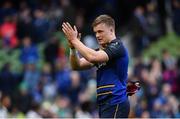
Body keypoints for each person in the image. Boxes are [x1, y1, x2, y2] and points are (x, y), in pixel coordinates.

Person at [62, 14, 130, 118]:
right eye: (95, 32)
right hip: (105, 104)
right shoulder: (101, 52)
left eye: (100, 31)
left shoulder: (117, 46)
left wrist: (75, 40)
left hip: (116, 101)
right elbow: (76, 65)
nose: (97, 35)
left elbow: (92, 57)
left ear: (111, 30)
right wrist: (73, 48)